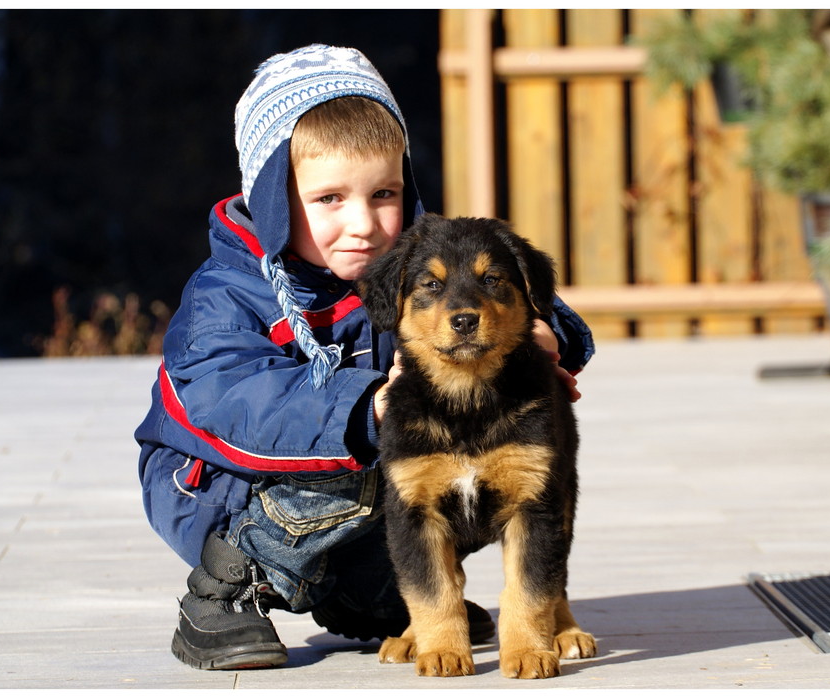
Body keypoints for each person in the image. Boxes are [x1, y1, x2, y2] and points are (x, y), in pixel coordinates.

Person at [134, 43, 595, 671]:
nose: (365, 223)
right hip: (220, 488)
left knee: (428, 475)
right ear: (271, 198)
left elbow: (508, 291)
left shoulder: (414, 266)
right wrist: (363, 406)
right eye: (329, 199)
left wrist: (544, 331)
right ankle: (224, 594)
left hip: (369, 479)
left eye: (384, 193)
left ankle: (362, 590)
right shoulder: (224, 295)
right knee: (384, 453)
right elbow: (229, 403)